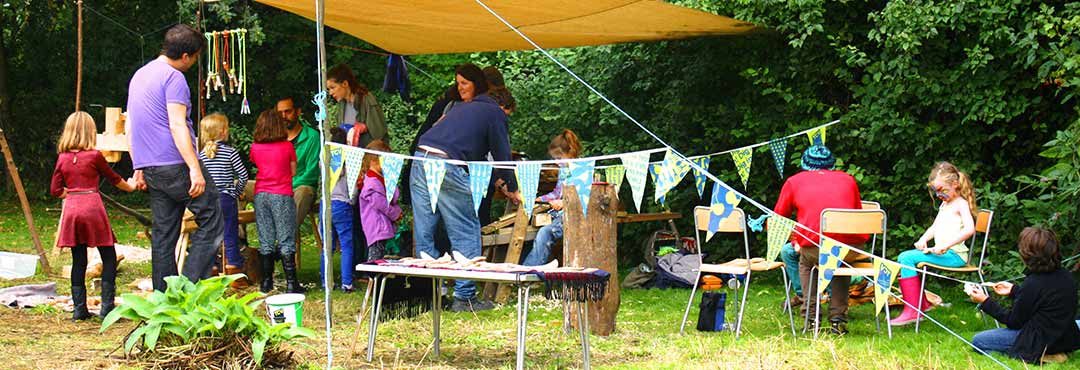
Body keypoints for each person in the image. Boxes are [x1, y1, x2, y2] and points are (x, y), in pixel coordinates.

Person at [411, 63, 518, 312]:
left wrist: (500, 181)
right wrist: (512, 186)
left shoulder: (462, 109)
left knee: (425, 229)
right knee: (466, 227)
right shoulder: (494, 113)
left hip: (419, 158)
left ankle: (429, 295)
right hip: (445, 163)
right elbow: (502, 155)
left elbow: (475, 154)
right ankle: (465, 296)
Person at [127, 24, 222, 292]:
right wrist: (195, 168)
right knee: (213, 220)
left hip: (152, 167)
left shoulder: (140, 75)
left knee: (163, 236)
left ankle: (163, 301)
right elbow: (177, 124)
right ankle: (186, 289)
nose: (193, 63)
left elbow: (131, 125)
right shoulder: (174, 78)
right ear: (186, 56)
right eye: (195, 58)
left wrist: (139, 166)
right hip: (175, 164)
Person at [772, 144, 869, 334]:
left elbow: (779, 220)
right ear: (832, 164)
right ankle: (838, 320)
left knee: (807, 261)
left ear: (804, 163)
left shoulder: (794, 182)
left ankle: (811, 318)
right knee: (838, 258)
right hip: (851, 249)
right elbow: (858, 215)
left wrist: (796, 241)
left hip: (817, 249)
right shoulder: (848, 180)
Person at [50, 112, 136, 320]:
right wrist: (131, 186)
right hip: (92, 207)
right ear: (90, 132)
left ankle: (80, 309)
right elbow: (114, 179)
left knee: (78, 259)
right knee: (108, 256)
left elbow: (55, 189)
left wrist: (69, 194)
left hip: (72, 209)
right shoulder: (94, 156)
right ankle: (107, 307)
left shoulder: (62, 158)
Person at [967, 227, 1080, 364]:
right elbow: (1044, 299)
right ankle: (1053, 351)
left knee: (979, 341)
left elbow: (1014, 321)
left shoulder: (1033, 283)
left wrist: (986, 302)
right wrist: (1014, 290)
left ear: (1027, 255)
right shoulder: (1066, 275)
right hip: (1066, 335)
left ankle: (1045, 355)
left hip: (1042, 339)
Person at [890, 162, 977, 326]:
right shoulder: (945, 204)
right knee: (906, 257)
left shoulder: (961, 204)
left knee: (906, 258)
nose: (939, 195)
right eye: (936, 191)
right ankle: (922, 304)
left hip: (955, 256)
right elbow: (934, 227)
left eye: (942, 190)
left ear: (955, 184)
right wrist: (923, 239)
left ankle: (912, 310)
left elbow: (969, 230)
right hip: (943, 253)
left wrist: (946, 245)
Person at [250, 110, 303, 294]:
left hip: (261, 194)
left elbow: (256, 164)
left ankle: (266, 283)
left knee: (265, 239)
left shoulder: (255, 147)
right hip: (281, 193)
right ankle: (291, 284)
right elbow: (294, 171)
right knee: (286, 238)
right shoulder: (287, 146)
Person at [197, 113, 249, 283]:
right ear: (223, 132)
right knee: (229, 233)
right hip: (226, 199)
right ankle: (234, 270)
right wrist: (237, 192)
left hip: (208, 200)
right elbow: (243, 175)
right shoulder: (230, 152)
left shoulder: (201, 156)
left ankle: (211, 268)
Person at [522, 129, 580, 266]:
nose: (557, 162)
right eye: (554, 159)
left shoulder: (582, 170)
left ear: (570, 152)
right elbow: (556, 193)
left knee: (545, 232)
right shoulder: (563, 171)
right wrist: (539, 199)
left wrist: (564, 202)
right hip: (557, 214)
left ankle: (529, 270)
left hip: (573, 216)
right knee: (526, 229)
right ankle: (521, 266)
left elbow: (583, 196)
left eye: (559, 158)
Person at [320, 127, 361, 292]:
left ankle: (326, 282)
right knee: (346, 245)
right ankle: (346, 282)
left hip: (326, 203)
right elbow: (353, 188)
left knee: (327, 246)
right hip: (342, 204)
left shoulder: (324, 156)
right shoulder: (349, 158)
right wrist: (352, 202)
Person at [277, 97, 321, 243]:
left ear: (298, 112)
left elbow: (312, 173)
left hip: (301, 188)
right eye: (280, 113)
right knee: (238, 185)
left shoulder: (312, 137)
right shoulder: (275, 137)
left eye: (287, 112)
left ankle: (283, 243)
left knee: (303, 191)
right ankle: (239, 244)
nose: (283, 116)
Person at [359, 140, 403, 262]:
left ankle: (377, 279)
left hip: (383, 226)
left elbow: (391, 198)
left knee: (382, 257)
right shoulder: (372, 182)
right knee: (375, 259)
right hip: (377, 227)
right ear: (374, 161)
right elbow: (381, 203)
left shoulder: (381, 179)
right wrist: (395, 214)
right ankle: (373, 278)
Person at [327, 64, 388, 147]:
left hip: (369, 156)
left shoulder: (366, 99)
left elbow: (379, 135)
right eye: (329, 89)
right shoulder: (342, 104)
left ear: (345, 84)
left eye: (333, 87)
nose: (330, 93)